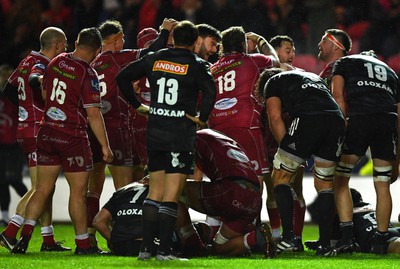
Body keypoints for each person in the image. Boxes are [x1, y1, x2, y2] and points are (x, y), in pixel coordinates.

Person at [117, 20, 216, 261]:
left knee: (154, 194)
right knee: (170, 196)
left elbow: (123, 77)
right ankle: (164, 252)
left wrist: (138, 105)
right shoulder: (197, 64)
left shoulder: (155, 57)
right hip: (179, 135)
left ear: (173, 38)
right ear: (195, 42)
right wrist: (202, 119)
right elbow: (211, 92)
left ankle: (146, 250)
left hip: (156, 132)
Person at [11, 27, 114, 255]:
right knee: (78, 193)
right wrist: (105, 146)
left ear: (76, 42)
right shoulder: (88, 74)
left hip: (47, 133)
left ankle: (24, 239)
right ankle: (83, 245)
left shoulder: (56, 61)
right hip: (72, 137)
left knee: (41, 190)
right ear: (97, 51)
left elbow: (46, 94)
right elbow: (94, 114)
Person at [86, 18, 177, 249]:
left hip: (90, 128)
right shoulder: (119, 58)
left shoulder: (90, 61)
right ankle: (131, 234)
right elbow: (151, 52)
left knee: (92, 188)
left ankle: (86, 238)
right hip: (115, 128)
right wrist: (165, 30)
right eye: (122, 39)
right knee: (124, 188)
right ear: (116, 40)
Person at [258, 68, 345, 256]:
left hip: (309, 117)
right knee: (324, 183)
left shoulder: (272, 82)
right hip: (336, 120)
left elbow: (275, 118)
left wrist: (289, 152)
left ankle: (289, 238)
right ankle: (325, 244)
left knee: (280, 177)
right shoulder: (310, 76)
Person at [0, 27, 70, 252]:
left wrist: (25, 109)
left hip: (25, 128)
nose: (66, 48)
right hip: (37, 129)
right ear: (57, 45)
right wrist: (40, 106)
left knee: (43, 187)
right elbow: (33, 82)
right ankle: (11, 231)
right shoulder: (42, 65)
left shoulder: (25, 61)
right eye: (65, 43)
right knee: (42, 187)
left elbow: (8, 91)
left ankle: (47, 238)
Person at [330, 50, 400, 255]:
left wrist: (340, 130)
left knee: (340, 179)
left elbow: (338, 96)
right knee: (382, 183)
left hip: (360, 118)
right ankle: (381, 237)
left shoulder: (345, 62)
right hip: (387, 122)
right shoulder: (391, 72)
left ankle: (346, 237)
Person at [179, 128, 276, 258]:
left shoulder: (194, 138)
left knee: (172, 190)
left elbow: (188, 177)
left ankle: (193, 244)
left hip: (231, 191)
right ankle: (255, 238)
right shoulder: (222, 139)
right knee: (218, 248)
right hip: (253, 198)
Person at [208, 26, 280, 196]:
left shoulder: (211, 69)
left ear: (222, 47)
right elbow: (275, 60)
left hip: (217, 128)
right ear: (243, 45)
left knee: (223, 179)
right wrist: (261, 40)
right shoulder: (252, 60)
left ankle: (222, 221)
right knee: (255, 178)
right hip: (245, 125)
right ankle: (250, 220)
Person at [92, 176, 210, 257]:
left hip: (121, 246)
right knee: (203, 228)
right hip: (151, 245)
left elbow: (98, 221)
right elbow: (181, 217)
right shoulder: (164, 191)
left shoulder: (122, 191)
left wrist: (114, 241)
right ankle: (198, 248)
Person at [262, 35, 306, 246]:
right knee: (272, 190)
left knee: (296, 189)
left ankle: (296, 236)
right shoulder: (267, 75)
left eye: (293, 50)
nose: (292, 54)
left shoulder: (299, 75)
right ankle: (278, 234)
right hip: (268, 138)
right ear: (275, 52)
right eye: (287, 50)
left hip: (293, 136)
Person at [306, 188, 400, 254]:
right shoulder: (370, 207)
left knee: (395, 245)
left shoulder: (343, 217)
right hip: (390, 229)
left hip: (372, 236)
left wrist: (318, 244)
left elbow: (333, 242)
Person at [0, 64, 28, 227]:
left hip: (14, 145)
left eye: (8, 75)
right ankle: (4, 216)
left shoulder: (17, 96)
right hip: (1, 145)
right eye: (3, 74)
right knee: (2, 181)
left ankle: (33, 211)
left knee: (15, 180)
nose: (5, 77)